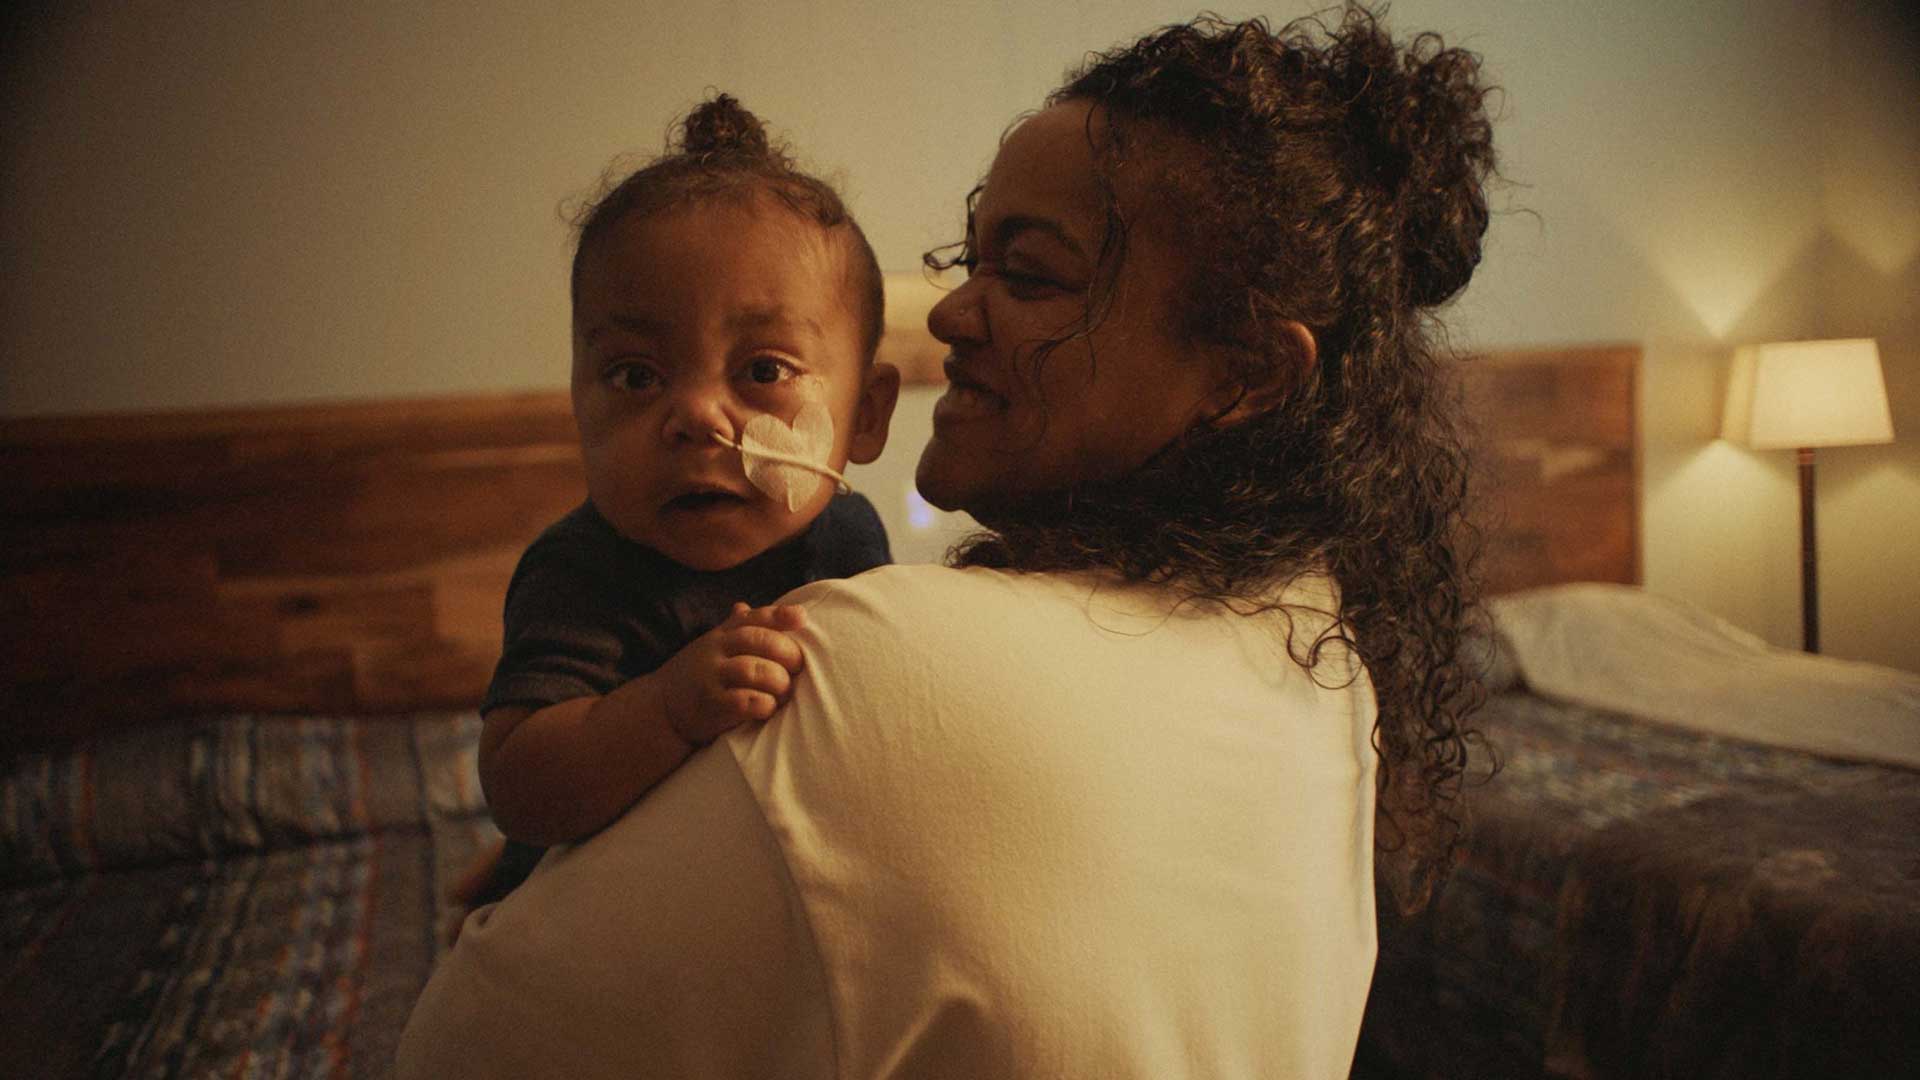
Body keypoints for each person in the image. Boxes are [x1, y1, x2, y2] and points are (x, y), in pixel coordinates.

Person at [399, 7, 1491, 1077]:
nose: (957, 313)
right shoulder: (1320, 643)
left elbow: (454, 1050)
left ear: (1246, 371)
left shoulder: (869, 661)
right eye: (970, 259)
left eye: (1030, 274)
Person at [460, 93, 902, 908]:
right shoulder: (580, 573)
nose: (696, 416)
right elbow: (520, 785)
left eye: (762, 370)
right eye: (636, 375)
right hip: (605, 905)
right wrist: (666, 709)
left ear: (865, 417)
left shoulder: (848, 538)